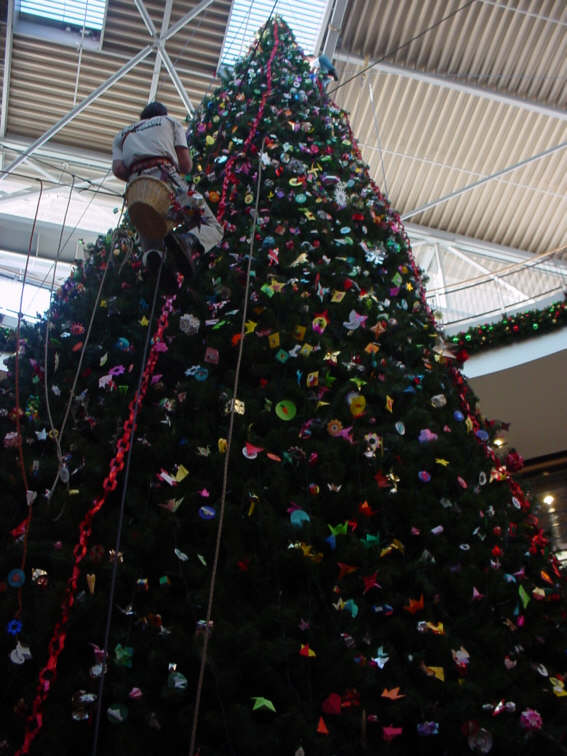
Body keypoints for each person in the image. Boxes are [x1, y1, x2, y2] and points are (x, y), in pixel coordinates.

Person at [112, 101, 223, 277]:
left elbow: (118, 169)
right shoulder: (169, 122)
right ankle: (188, 241)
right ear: (162, 113)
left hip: (137, 190)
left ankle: (153, 258)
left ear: (143, 117)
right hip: (166, 181)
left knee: (147, 224)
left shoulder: (122, 135)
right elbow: (186, 165)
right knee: (213, 226)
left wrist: (139, 171)